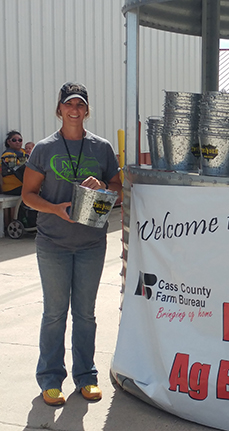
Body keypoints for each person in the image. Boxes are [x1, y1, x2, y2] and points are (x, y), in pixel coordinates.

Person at [22, 82, 122, 406]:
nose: (74, 110)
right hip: (53, 242)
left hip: (92, 242)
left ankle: (86, 376)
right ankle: (51, 379)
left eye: (80, 105)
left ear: (87, 109)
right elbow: (27, 195)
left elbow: (118, 187)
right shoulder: (45, 149)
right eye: (69, 104)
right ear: (60, 109)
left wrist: (103, 184)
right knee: (54, 313)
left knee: (86, 314)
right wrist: (55, 209)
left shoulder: (102, 147)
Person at [1, 130, 27, 195]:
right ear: (8, 142)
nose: (17, 142)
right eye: (14, 140)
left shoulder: (25, 152)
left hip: (24, 186)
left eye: (20, 140)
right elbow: (17, 169)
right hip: (13, 187)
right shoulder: (7, 155)